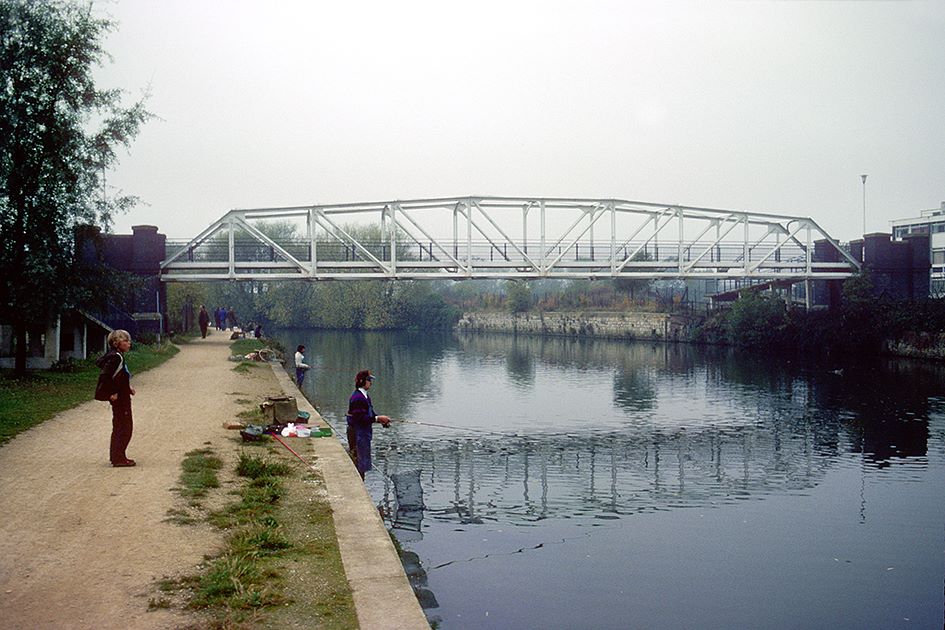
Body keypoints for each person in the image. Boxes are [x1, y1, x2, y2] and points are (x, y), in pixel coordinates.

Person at [95, 329, 137, 467]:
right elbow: (105, 376)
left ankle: (118, 456)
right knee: (124, 427)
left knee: (121, 425)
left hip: (123, 395)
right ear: (117, 343)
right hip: (119, 398)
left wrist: (128, 388)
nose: (129, 343)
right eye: (126, 341)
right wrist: (112, 392)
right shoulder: (116, 357)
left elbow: (119, 375)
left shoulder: (117, 356)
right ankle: (118, 458)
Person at [345, 370, 390, 480]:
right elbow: (359, 418)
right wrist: (377, 418)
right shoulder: (357, 398)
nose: (371, 383)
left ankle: (362, 481)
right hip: (357, 434)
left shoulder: (365, 396)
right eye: (369, 380)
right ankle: (358, 483)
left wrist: (381, 421)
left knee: (363, 462)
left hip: (364, 433)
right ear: (362, 381)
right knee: (358, 461)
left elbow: (370, 414)